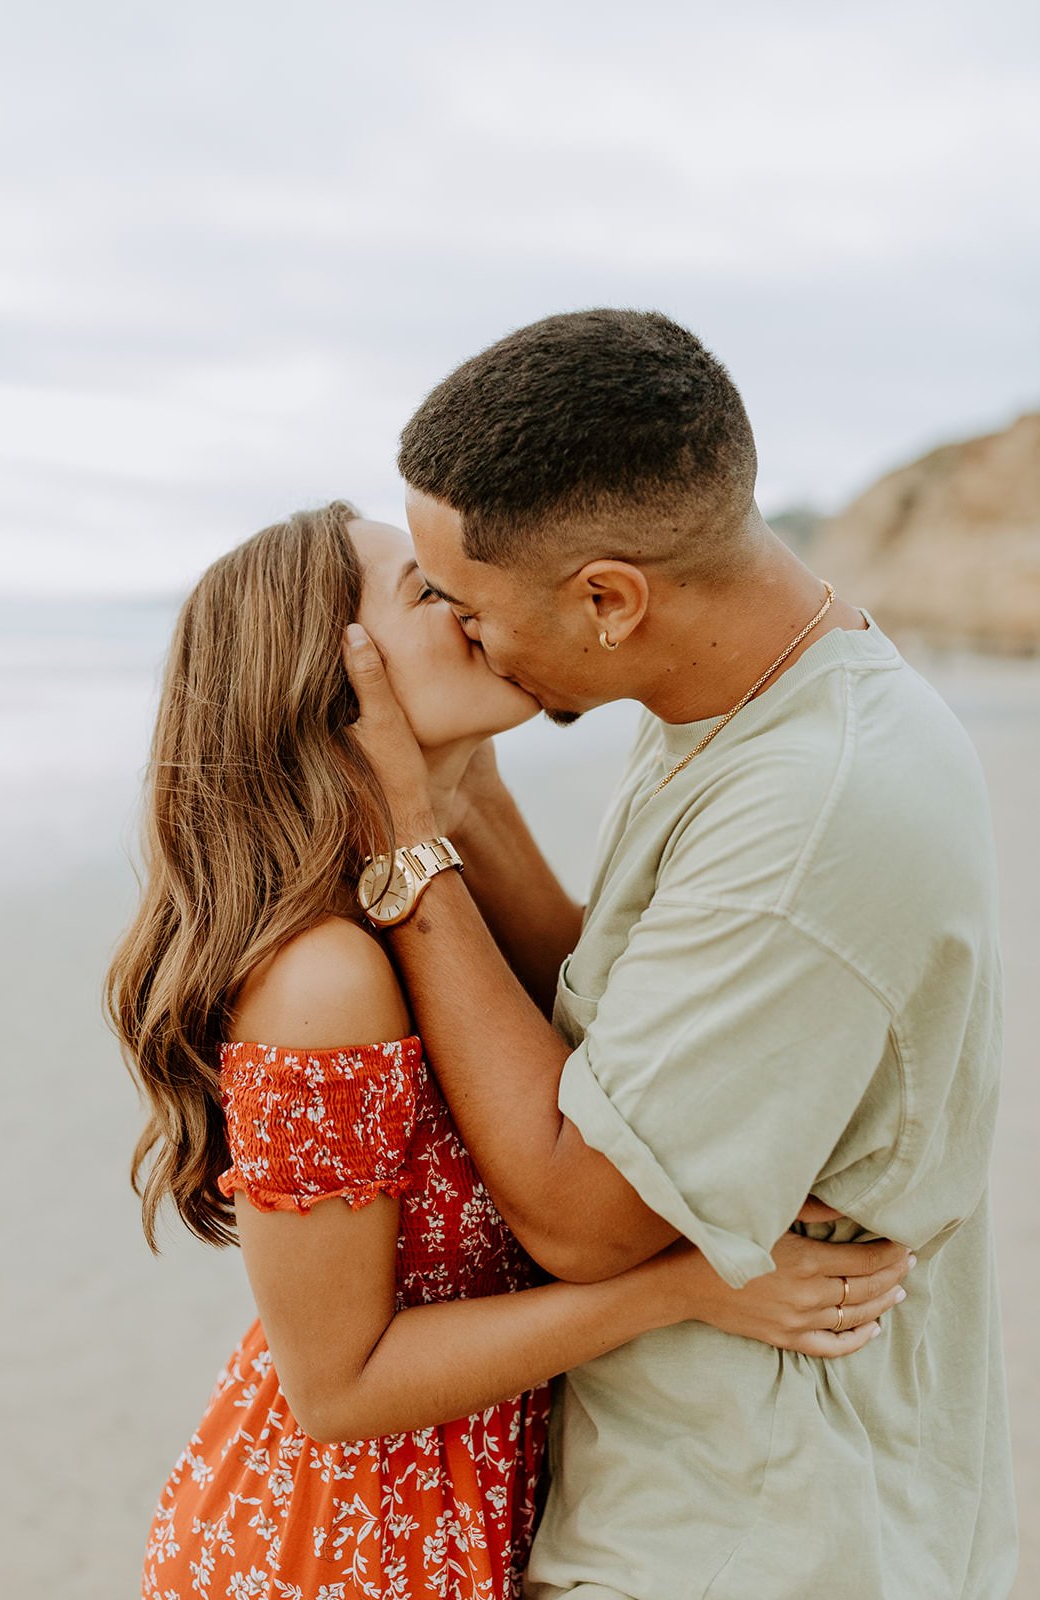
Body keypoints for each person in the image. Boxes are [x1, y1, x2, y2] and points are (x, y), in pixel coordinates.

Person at [107, 504, 905, 1600]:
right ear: (335, 675)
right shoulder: (324, 977)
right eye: (424, 592)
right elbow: (336, 1386)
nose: (472, 606)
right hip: (343, 1547)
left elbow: (598, 1045)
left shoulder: (418, 898)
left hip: (460, 1513)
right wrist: (693, 1289)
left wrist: (455, 793)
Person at [341, 309, 1018, 1599]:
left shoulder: (817, 804)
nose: (461, 635)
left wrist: (408, 851)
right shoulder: (737, 691)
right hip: (716, 1488)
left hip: (750, 1522)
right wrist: (471, 800)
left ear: (608, 597)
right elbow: (619, 1025)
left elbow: (579, 1215)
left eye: (470, 607)